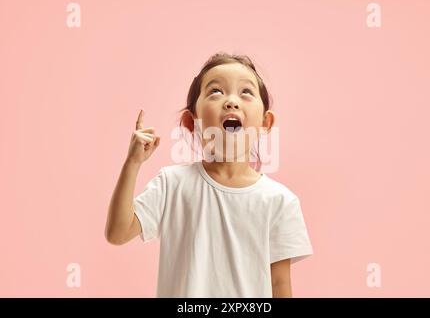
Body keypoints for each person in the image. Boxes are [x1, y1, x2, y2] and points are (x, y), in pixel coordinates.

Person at [105, 52, 313, 297]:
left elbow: (279, 285)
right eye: (216, 91)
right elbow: (117, 233)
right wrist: (133, 163)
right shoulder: (172, 184)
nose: (231, 101)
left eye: (246, 92)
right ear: (191, 122)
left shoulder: (280, 201)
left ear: (265, 122)